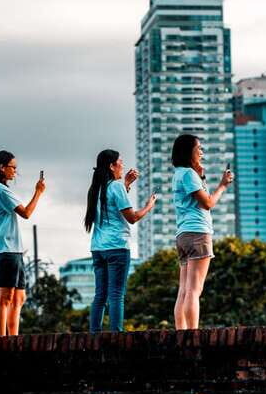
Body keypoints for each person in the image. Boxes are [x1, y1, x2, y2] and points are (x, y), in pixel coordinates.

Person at [84, 150, 156, 332]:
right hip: (117, 246)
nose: (123, 165)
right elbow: (132, 217)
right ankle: (116, 334)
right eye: (120, 162)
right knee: (116, 294)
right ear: (111, 166)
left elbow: (111, 201)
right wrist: (149, 206)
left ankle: (94, 334)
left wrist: (127, 184)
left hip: (98, 248)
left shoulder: (96, 188)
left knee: (100, 295)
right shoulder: (116, 186)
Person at [170, 134, 233, 330]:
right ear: (188, 151)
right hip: (198, 233)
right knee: (194, 290)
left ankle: (181, 332)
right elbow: (208, 203)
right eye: (199, 149)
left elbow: (197, 198)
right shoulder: (188, 174)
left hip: (183, 234)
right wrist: (223, 185)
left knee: (183, 290)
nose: (202, 153)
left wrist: (201, 176)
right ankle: (192, 335)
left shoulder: (179, 174)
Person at [0, 150, 45, 336]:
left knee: (19, 297)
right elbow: (26, 213)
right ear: (2, 168)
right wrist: (38, 192)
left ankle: (13, 338)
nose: (15, 172)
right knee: (6, 296)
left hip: (13, 249)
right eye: (13, 167)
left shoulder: (0, 189)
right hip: (5, 248)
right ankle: (2, 340)